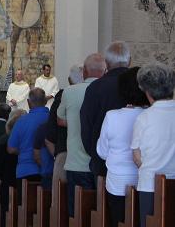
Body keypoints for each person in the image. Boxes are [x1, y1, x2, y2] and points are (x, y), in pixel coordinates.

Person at [97, 67, 148, 227]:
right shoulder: (148, 115)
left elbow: (101, 150)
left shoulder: (112, 116)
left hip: (117, 181)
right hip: (144, 180)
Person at [131, 63, 175, 227]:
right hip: (174, 184)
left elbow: (137, 156)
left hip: (150, 185)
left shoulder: (144, 118)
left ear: (147, 92)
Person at [58, 53, 105, 215]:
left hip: (76, 162)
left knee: (78, 215)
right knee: (102, 215)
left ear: (84, 71)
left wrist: (75, 123)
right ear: (104, 71)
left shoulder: (70, 92)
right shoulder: (108, 91)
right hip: (102, 163)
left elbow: (60, 120)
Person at [81, 41, 131, 177]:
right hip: (135, 164)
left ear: (107, 64)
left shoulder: (95, 88)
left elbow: (86, 126)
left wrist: (95, 154)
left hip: (102, 163)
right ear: (129, 61)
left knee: (103, 198)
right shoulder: (139, 85)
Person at [45, 65, 83, 186]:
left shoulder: (62, 97)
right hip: (86, 156)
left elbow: (49, 136)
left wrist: (58, 156)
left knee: (60, 199)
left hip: (64, 151)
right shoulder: (92, 94)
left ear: (69, 80)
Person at [7, 88, 50, 190]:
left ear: (29, 102)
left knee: (25, 204)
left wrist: (24, 150)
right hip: (49, 170)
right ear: (45, 101)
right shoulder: (51, 118)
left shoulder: (21, 121)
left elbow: (11, 149)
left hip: (25, 171)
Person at [0, 109, 25, 214]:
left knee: (6, 210)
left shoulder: (4, 140)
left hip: (8, 180)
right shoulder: (27, 140)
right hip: (23, 178)